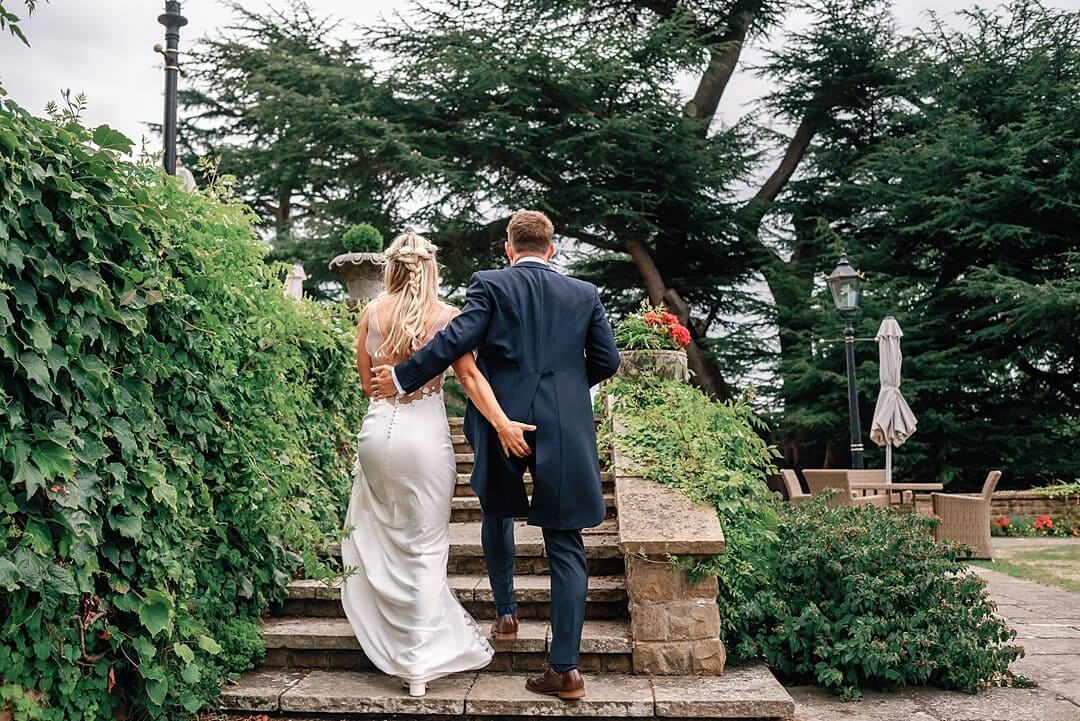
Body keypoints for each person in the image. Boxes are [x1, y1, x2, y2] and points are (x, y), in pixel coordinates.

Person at [372, 210, 620, 700]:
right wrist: (566, 395)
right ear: (553, 249)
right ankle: (566, 670)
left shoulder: (490, 284)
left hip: (500, 417)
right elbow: (607, 360)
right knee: (566, 542)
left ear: (509, 248)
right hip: (565, 427)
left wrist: (403, 377)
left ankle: (506, 612)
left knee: (498, 509)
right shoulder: (585, 294)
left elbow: (454, 341)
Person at [342, 231, 535, 698]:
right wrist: (503, 423)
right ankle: (418, 666)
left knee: (383, 535)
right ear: (431, 268)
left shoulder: (371, 312)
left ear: (391, 268)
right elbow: (468, 376)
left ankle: (389, 637)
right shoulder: (448, 317)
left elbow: (368, 385)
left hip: (376, 436)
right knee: (426, 545)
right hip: (424, 438)